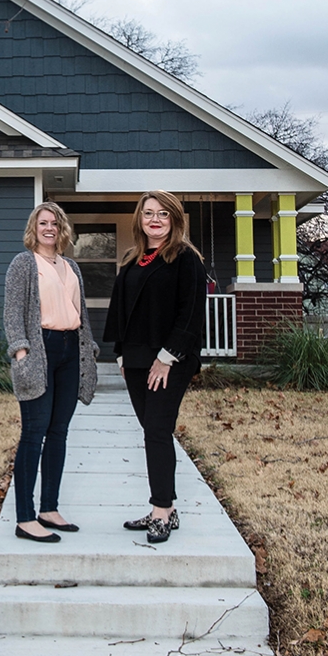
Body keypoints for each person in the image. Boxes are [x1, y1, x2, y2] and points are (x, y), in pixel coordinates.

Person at [103, 190, 206, 544]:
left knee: (157, 431)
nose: (155, 220)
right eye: (149, 213)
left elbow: (191, 313)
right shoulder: (134, 259)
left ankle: (162, 510)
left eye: (163, 214)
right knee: (153, 431)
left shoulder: (186, 259)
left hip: (169, 360)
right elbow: (122, 308)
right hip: (134, 359)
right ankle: (167, 508)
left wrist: (167, 357)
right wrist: (120, 353)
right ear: (140, 219)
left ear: (175, 219)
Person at [3, 202, 98, 543]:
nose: (49, 228)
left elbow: (79, 311)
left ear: (62, 230)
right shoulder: (24, 264)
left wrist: (88, 347)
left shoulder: (71, 266)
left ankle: (48, 508)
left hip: (70, 349)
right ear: (34, 227)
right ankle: (25, 518)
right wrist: (21, 351)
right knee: (34, 432)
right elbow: (13, 312)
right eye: (43, 222)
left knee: (58, 431)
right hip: (40, 349)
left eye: (55, 223)